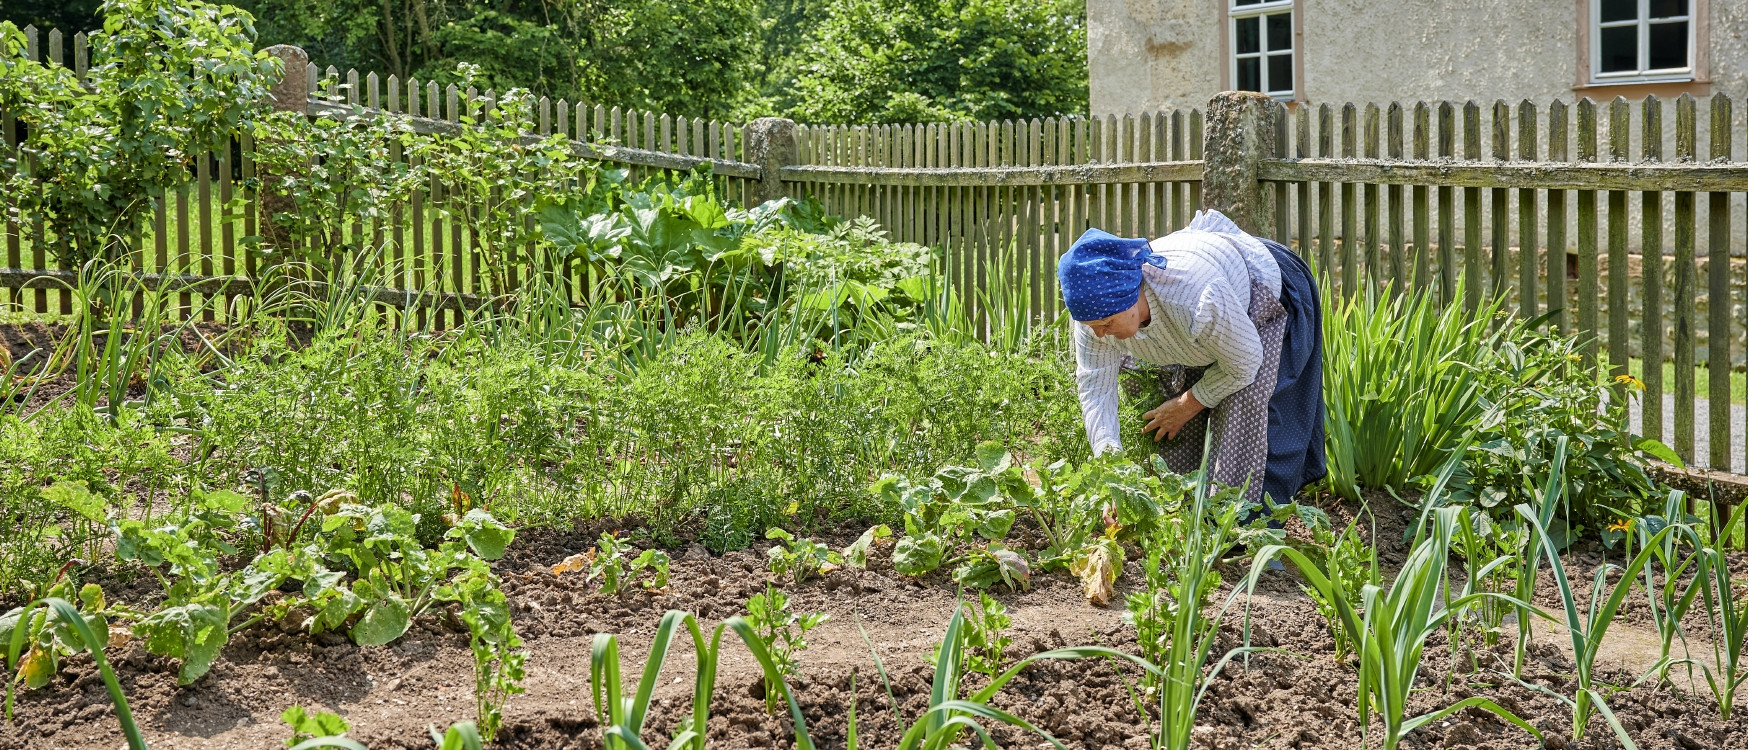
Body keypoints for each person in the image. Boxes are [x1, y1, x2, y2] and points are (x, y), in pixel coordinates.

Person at [1057, 209, 1325, 507]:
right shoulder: (1093, 316)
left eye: (1105, 324)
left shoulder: (1195, 298)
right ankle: (1190, 512)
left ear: (1130, 296)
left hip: (1261, 287)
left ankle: (1252, 534)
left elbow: (1247, 361)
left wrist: (1187, 404)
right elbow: (1097, 391)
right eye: (1091, 327)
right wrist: (1114, 476)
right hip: (1205, 321)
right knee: (1169, 418)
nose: (1098, 334)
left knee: (1246, 420)